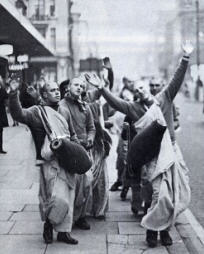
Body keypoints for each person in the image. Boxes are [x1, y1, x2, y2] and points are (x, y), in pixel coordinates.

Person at [85, 41, 193, 248]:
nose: (141, 90)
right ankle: (153, 231)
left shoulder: (165, 98)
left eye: (143, 87)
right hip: (153, 155)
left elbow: (177, 79)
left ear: (153, 89)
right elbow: (115, 102)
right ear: (135, 93)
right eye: (137, 89)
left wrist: (186, 57)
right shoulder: (132, 108)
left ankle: (166, 228)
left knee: (177, 193)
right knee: (159, 194)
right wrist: (103, 89)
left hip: (172, 150)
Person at [8, 79, 78, 245]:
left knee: (68, 196)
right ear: (44, 94)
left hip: (66, 159)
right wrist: (12, 94)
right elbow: (18, 114)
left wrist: (78, 149)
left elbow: (72, 134)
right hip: (49, 161)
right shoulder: (35, 112)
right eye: (52, 90)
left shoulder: (64, 110)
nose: (57, 92)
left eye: (57, 89)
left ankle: (63, 232)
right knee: (57, 198)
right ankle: (49, 224)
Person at [59, 77, 96, 230]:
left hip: (85, 151)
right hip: (69, 150)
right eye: (76, 85)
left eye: (82, 86)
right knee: (72, 186)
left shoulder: (85, 107)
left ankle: (80, 217)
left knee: (86, 185)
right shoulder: (61, 106)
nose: (79, 88)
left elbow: (91, 127)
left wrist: (90, 138)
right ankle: (68, 218)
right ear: (68, 87)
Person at [0, 76, 9, 154]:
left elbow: (6, 101)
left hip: (1, 112)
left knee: (0, 130)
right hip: (1, 111)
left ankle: (0, 148)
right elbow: (6, 101)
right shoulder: (3, 90)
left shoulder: (3, 90)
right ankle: (0, 148)